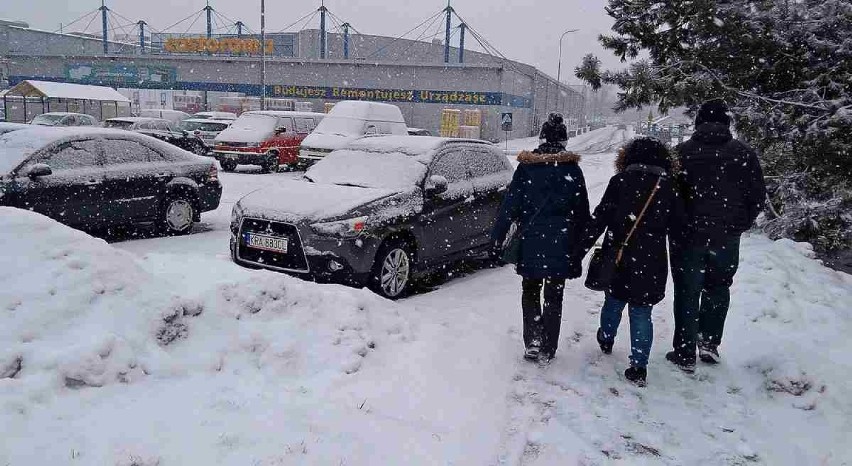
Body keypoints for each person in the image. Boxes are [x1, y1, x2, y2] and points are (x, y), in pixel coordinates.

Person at [575, 137, 685, 386]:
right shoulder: (667, 186)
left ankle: (606, 336)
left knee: (613, 301)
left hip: (619, 254)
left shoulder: (620, 181)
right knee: (642, 311)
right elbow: (679, 226)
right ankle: (638, 365)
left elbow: (600, 217)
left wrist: (579, 250)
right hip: (653, 259)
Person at [667, 99, 766, 373]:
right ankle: (709, 342)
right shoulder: (743, 153)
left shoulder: (682, 153)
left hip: (688, 236)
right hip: (726, 235)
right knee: (718, 287)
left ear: (698, 122)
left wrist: (677, 224)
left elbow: (669, 196)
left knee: (687, 291)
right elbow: (757, 195)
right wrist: (740, 223)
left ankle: (685, 351)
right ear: (727, 122)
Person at [491, 119, 590, 364]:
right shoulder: (572, 170)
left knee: (530, 289)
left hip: (532, 239)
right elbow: (582, 214)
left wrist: (497, 238)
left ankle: (533, 341)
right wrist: (579, 247)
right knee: (554, 295)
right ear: (564, 140)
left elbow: (509, 208)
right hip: (562, 242)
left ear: (542, 139)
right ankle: (548, 346)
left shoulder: (526, 169)